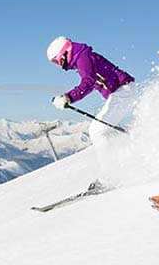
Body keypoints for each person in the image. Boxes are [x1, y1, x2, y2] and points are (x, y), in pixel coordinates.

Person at [47, 36, 135, 187]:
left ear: (63, 53)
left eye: (57, 61)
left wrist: (68, 97)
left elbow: (88, 82)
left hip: (123, 91)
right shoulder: (82, 57)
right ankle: (130, 164)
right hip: (122, 91)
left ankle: (110, 177)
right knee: (107, 131)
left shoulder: (83, 57)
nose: (59, 65)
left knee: (97, 130)